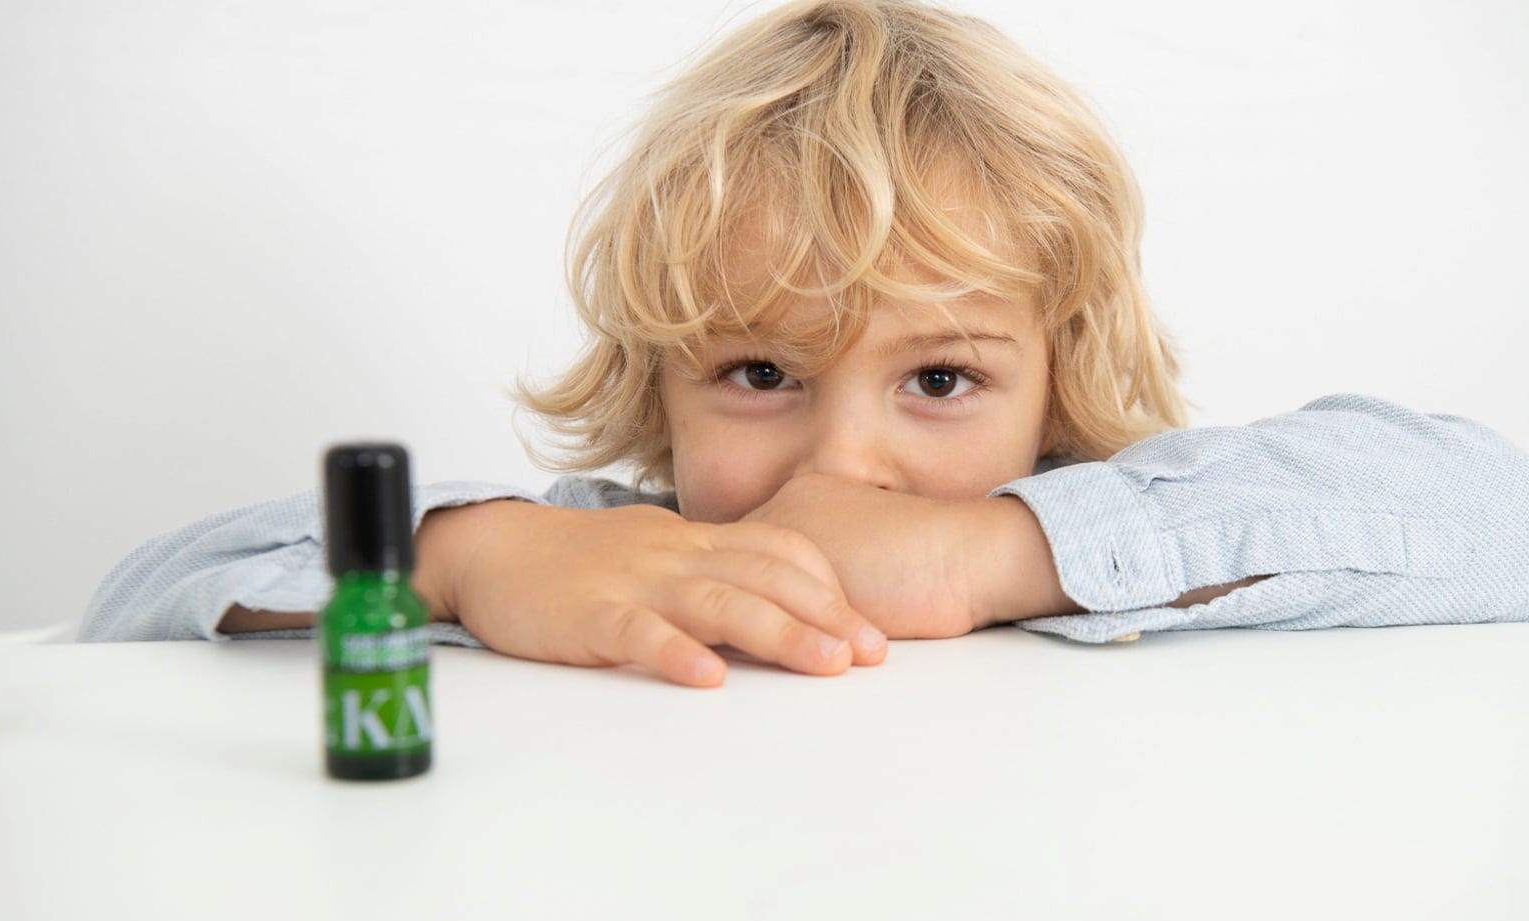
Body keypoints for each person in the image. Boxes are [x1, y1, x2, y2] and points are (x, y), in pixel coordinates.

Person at [78, 0, 1529, 686]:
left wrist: (995, 557)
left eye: (941, 379)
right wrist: (471, 557)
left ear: (1055, 387)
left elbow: (1497, 510)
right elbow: (136, 601)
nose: (843, 467)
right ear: (659, 386)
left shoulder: (1151, 548)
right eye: (760, 374)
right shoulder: (626, 562)